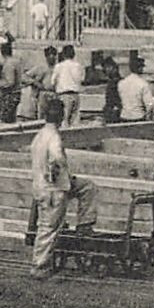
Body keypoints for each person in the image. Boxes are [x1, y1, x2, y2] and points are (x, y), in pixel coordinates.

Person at [28, 97, 98, 278]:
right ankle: (39, 266)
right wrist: (55, 173)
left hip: (45, 185)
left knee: (87, 186)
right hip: (53, 189)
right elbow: (56, 158)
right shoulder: (54, 138)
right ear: (60, 116)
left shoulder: (39, 136)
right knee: (49, 227)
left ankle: (84, 224)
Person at [19, 44, 56, 121]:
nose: (52, 57)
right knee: (41, 117)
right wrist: (34, 82)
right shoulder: (41, 67)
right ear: (46, 56)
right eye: (49, 55)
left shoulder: (58, 67)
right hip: (43, 93)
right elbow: (24, 77)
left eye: (54, 54)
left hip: (55, 94)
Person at [51, 45, 85, 127]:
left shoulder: (59, 66)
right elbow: (82, 79)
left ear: (63, 54)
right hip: (76, 94)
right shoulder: (78, 66)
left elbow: (53, 82)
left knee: (64, 119)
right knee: (75, 120)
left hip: (63, 94)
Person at [117, 57, 154, 121]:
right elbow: (150, 105)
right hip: (138, 117)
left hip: (124, 116)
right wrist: (148, 118)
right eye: (142, 67)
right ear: (139, 68)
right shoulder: (143, 84)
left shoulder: (121, 83)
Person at [0, 40, 22, 122]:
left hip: (9, 96)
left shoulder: (9, 64)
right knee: (11, 119)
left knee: (3, 120)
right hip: (16, 94)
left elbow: (10, 82)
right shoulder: (17, 61)